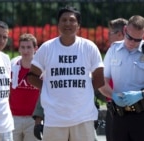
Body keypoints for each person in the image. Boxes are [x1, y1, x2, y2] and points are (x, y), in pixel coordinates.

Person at [27, 5, 104, 141]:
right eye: (64, 20)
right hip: (54, 118)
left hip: (83, 117)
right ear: (58, 24)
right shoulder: (47, 48)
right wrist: (47, 89)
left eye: (72, 20)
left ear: (78, 25)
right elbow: (32, 77)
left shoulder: (89, 47)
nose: (68, 23)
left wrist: (83, 91)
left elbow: (99, 79)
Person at [99, 15, 144, 141]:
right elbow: (101, 81)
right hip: (118, 115)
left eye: (137, 40)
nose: (132, 42)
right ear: (125, 30)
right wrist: (113, 95)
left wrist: (141, 94)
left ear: (143, 34)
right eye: (130, 38)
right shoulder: (114, 50)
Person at [9, 33, 40, 141]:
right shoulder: (12, 66)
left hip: (33, 119)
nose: (25, 51)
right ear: (19, 49)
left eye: (29, 47)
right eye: (23, 47)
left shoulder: (41, 69)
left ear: (35, 49)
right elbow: (7, 91)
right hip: (13, 118)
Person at [105, 18, 127, 141]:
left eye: (110, 33)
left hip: (125, 105)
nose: (108, 36)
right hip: (112, 104)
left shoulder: (131, 52)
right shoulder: (111, 51)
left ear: (119, 34)